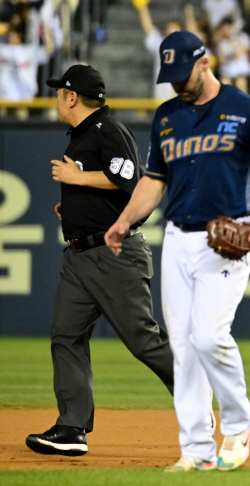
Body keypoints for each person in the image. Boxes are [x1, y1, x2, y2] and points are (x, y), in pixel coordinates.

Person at [104, 31, 250, 472]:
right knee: (184, 348)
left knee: (209, 336)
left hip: (228, 237)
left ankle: (240, 424)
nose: (174, 83)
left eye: (180, 73)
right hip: (177, 237)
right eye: (167, 75)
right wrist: (125, 220)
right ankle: (196, 448)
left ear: (203, 62)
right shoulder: (167, 116)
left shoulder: (246, 109)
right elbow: (154, 180)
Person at [25, 65, 174, 457]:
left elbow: (134, 181)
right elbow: (105, 186)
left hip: (113, 255)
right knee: (66, 335)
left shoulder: (108, 130)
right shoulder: (84, 134)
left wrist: (79, 180)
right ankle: (72, 427)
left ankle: (202, 394)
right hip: (78, 255)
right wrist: (74, 205)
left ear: (72, 97)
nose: (57, 97)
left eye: (60, 92)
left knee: (143, 340)